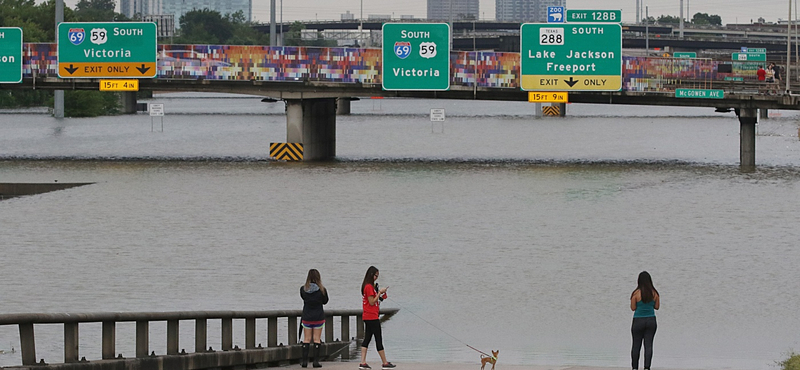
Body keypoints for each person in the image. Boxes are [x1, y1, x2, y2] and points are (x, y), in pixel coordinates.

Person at [359, 266, 395, 370]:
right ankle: (384, 363)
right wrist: (379, 292)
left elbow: (374, 300)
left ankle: (363, 362)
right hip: (371, 317)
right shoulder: (369, 287)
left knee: (367, 338)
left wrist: (381, 296)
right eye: (375, 275)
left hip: (369, 316)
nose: (376, 278)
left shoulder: (369, 286)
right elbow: (371, 302)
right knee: (378, 338)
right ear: (371, 275)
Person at [630, 271, 660, 370]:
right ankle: (647, 367)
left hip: (638, 320)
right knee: (648, 345)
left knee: (636, 345)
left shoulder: (636, 293)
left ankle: (635, 368)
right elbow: (657, 307)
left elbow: (633, 308)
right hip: (651, 320)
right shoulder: (654, 293)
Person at [300, 269, 329, 368]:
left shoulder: (303, 289)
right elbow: (325, 301)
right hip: (318, 317)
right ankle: (315, 362)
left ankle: (304, 362)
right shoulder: (322, 290)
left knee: (306, 339)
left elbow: (303, 298)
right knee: (317, 339)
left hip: (307, 316)